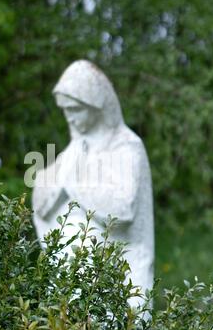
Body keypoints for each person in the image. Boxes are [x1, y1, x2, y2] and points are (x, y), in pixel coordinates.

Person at [32, 59, 154, 308]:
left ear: (97, 106)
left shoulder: (127, 146)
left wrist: (73, 185)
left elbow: (122, 209)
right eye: (65, 110)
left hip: (120, 283)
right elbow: (41, 205)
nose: (69, 118)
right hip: (75, 285)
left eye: (76, 109)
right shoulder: (74, 151)